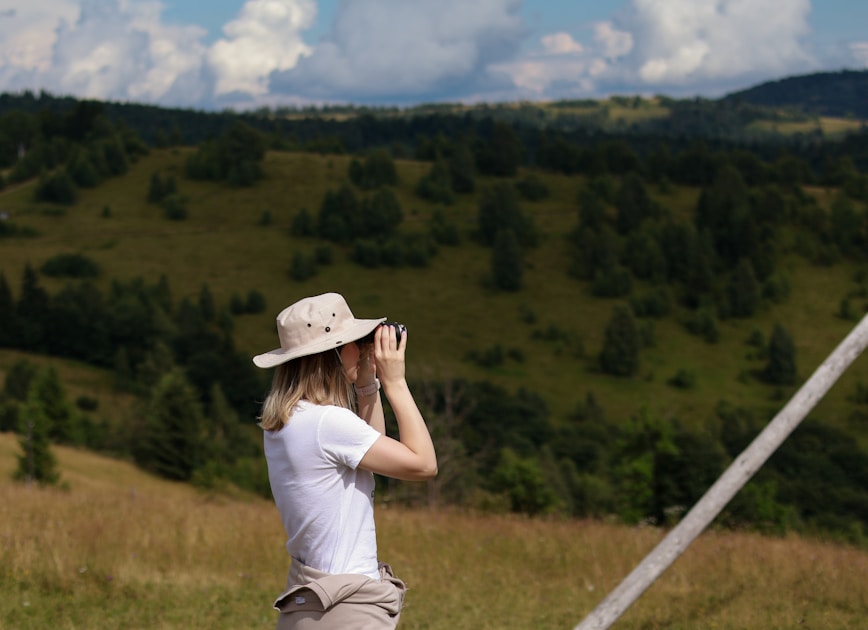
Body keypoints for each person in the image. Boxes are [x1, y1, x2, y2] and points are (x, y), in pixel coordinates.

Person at [253, 292, 438, 629]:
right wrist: (395, 382)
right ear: (333, 354)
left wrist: (368, 384)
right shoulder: (327, 424)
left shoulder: (288, 422)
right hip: (347, 607)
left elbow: (371, 454)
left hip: (310, 603)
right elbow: (423, 464)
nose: (362, 347)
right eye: (354, 342)